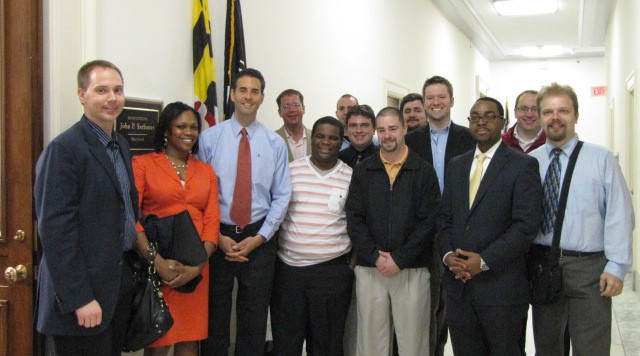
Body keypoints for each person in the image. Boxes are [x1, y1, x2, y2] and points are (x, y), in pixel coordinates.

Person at [34, 60, 139, 356]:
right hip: (80, 297)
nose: (112, 98)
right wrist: (80, 297)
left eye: (118, 90)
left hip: (115, 284)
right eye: (101, 90)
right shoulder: (65, 150)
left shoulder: (120, 144)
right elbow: (55, 231)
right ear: (82, 94)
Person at [529, 83, 634, 356]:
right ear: (540, 118)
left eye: (563, 110)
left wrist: (617, 266)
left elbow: (619, 214)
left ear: (576, 115)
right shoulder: (530, 163)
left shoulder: (601, 159)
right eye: (548, 111)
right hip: (543, 266)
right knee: (548, 347)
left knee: (591, 348)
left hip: (589, 269)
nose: (555, 117)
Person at [437, 97, 542, 356]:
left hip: (501, 289)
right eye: (474, 116)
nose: (481, 121)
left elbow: (525, 226)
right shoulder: (457, 165)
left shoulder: (522, 165)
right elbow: (444, 219)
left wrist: (483, 261)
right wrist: (450, 256)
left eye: (489, 115)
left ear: (503, 122)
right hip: (459, 288)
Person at [198, 68, 292, 356]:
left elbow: (282, 195)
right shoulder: (210, 139)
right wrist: (215, 235)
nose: (248, 96)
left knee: (253, 317)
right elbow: (202, 192)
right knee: (215, 315)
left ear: (262, 98)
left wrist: (260, 237)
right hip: (218, 237)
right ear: (232, 94)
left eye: (254, 91)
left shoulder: (276, 143)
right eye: (242, 90)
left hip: (258, 238)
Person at [346, 107, 440, 356]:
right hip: (370, 268)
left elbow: (428, 222)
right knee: (371, 344)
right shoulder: (363, 171)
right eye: (382, 129)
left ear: (405, 129)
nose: (387, 135)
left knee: (413, 343)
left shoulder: (423, 171)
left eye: (393, 128)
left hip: (411, 268)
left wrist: (399, 258)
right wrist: (375, 256)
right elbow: (354, 219)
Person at [131, 102, 220, 355]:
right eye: (181, 126)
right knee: (159, 340)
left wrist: (197, 266)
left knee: (190, 340)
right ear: (167, 131)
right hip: (159, 265)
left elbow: (212, 219)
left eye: (193, 127)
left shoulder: (206, 170)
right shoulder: (143, 164)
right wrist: (155, 261)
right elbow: (131, 217)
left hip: (197, 267)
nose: (188, 132)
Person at [404, 75, 475, 356]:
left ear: (452, 101)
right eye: (430, 98)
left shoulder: (469, 138)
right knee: (428, 303)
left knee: (457, 303)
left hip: (460, 230)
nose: (436, 103)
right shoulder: (410, 140)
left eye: (441, 97)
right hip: (422, 231)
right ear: (424, 103)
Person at [271, 116, 354, 356]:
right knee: (286, 342)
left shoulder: (350, 176)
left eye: (333, 137)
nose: (325, 142)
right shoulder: (291, 171)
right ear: (312, 138)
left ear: (341, 142)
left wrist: (351, 263)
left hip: (331, 274)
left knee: (326, 344)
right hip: (289, 273)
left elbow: (360, 222)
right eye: (320, 136)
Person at [275, 89, 312, 162]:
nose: (292, 110)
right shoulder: (272, 140)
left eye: (296, 105)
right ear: (280, 112)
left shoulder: (316, 138)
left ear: (303, 109)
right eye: (285, 106)